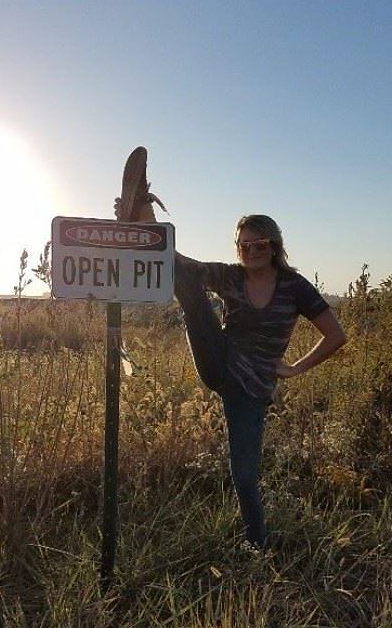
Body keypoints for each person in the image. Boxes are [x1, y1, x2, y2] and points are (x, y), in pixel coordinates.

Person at [115, 148, 346, 551]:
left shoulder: (295, 288)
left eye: (259, 245)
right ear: (237, 249)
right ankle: (141, 212)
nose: (251, 251)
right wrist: (144, 226)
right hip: (219, 361)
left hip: (252, 391)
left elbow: (335, 335)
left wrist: (292, 369)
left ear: (274, 246)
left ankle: (256, 545)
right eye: (244, 246)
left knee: (243, 474)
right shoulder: (231, 277)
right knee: (187, 281)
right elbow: (179, 262)